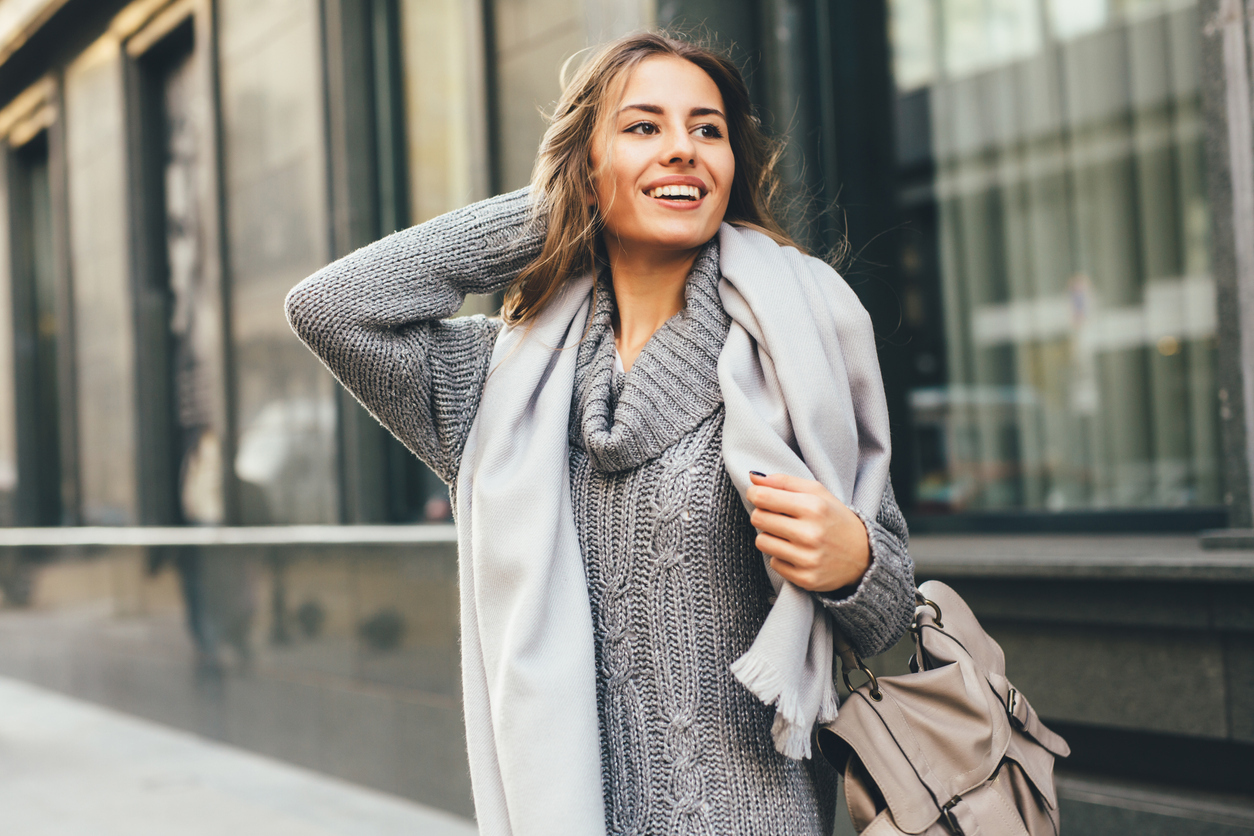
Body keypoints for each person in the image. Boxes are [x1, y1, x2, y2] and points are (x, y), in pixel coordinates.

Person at [287, 31, 914, 836]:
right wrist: (558, 209)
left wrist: (854, 561)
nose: (682, 150)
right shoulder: (501, 389)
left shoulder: (795, 350)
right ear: (588, 163)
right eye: (644, 128)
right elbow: (331, 307)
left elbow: (888, 609)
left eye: (707, 130)